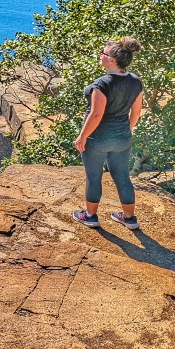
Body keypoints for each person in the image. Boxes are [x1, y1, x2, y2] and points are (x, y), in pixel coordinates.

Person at [72, 37, 144, 230]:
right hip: (122, 138)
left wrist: (82, 137)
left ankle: (90, 216)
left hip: (98, 138)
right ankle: (129, 219)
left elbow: (96, 114)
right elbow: (136, 113)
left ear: (112, 60)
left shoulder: (103, 83)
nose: (100, 56)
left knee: (94, 176)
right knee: (122, 176)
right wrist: (125, 131)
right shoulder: (135, 81)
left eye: (103, 53)